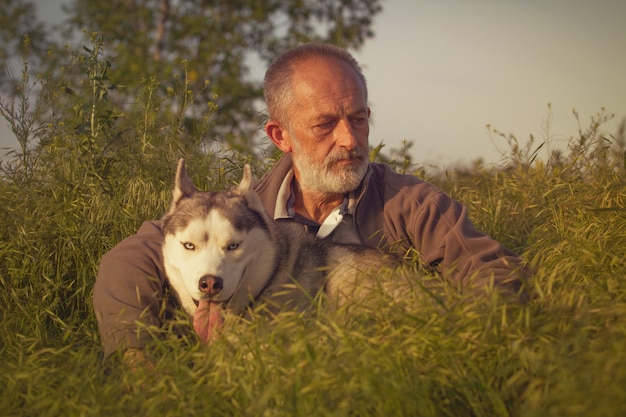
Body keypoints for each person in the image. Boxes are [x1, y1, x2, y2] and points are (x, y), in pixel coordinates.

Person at [93, 43, 529, 361]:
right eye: (325, 125)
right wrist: (139, 365)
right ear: (280, 136)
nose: (349, 139)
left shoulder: (411, 203)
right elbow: (130, 258)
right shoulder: (244, 209)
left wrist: (433, 344)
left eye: (358, 119)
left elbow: (498, 275)